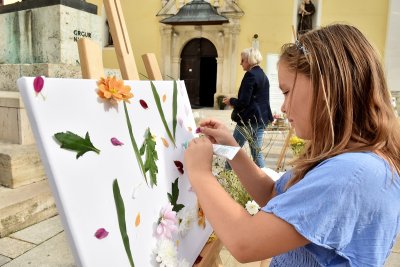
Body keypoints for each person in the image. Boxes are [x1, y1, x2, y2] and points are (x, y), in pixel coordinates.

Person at [184, 24, 400, 266]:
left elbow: (244, 242)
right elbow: (272, 194)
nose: (284, 107)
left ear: (327, 88)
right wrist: (232, 148)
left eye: (287, 92)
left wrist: (200, 173)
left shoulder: (350, 174)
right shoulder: (350, 159)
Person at [223, 47, 273, 169]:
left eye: (242, 60)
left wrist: (231, 101)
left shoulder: (250, 75)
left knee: (233, 150)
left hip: (248, 121)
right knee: (257, 153)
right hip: (261, 120)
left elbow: (243, 102)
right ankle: (265, 178)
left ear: (249, 60)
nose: (240, 63)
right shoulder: (262, 74)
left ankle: (226, 177)